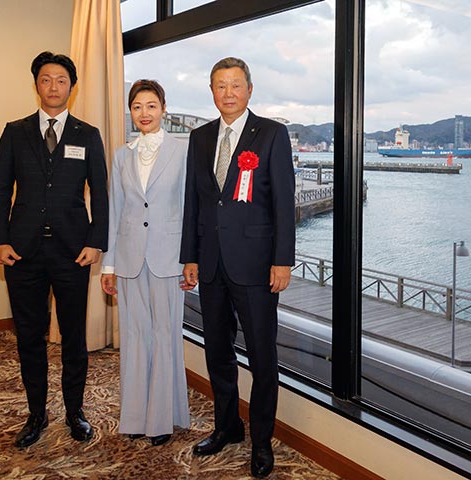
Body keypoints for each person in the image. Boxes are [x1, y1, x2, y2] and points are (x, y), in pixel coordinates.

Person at [180, 57, 295, 478]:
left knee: (263, 357)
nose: (227, 93)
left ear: (249, 89)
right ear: (211, 91)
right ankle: (227, 426)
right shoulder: (200, 137)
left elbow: (284, 202)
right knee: (218, 352)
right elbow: (196, 200)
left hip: (257, 266)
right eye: (219, 86)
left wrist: (283, 260)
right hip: (210, 264)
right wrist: (189, 255)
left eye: (235, 85)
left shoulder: (271, 134)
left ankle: (262, 442)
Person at [0, 51, 108, 448]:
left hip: (74, 251)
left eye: (61, 80)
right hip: (21, 252)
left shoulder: (87, 135)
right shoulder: (15, 131)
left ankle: (75, 412)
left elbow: (102, 195)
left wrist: (96, 242)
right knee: (29, 337)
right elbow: (2, 190)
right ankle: (36, 413)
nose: (53, 86)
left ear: (71, 87)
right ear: (36, 84)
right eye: (45, 79)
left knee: (74, 336)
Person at [100, 79, 190, 446]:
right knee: (135, 337)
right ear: (131, 112)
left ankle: (163, 419)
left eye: (151, 105)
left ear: (164, 109)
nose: (144, 113)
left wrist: (190, 260)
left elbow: (188, 210)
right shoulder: (122, 155)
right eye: (137, 106)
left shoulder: (182, 152)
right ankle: (135, 417)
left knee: (165, 335)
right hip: (129, 258)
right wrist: (108, 265)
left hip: (168, 259)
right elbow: (115, 212)